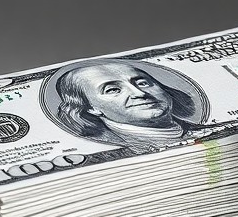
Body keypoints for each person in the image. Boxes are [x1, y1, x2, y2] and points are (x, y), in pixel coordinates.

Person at [55, 61, 202, 151]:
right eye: (113, 90)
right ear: (90, 108)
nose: (139, 93)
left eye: (142, 83)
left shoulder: (205, 129)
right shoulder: (108, 146)